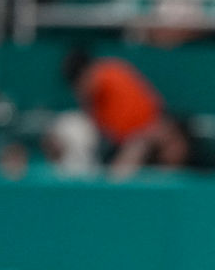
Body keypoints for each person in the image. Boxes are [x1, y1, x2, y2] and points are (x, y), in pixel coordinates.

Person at [61, 48, 189, 179]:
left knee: (143, 149)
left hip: (149, 132)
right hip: (118, 144)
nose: (80, 89)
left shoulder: (110, 74)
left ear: (88, 71)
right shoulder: (89, 99)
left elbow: (148, 122)